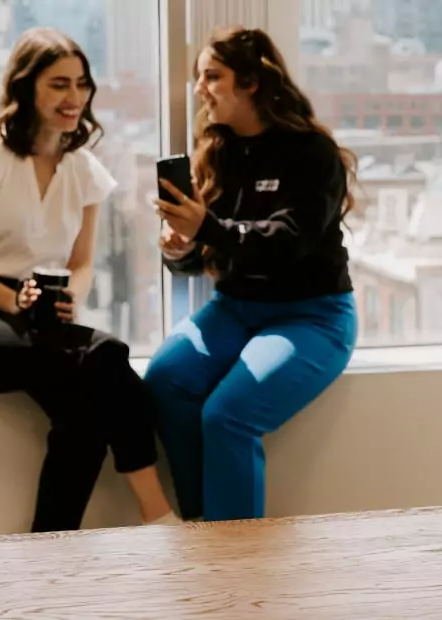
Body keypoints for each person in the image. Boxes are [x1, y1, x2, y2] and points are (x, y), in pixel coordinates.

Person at [145, 27, 358, 523]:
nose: (199, 89)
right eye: (200, 77)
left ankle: (238, 561)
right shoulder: (219, 152)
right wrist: (181, 246)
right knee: (164, 378)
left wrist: (209, 228)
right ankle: (204, 528)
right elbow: (204, 254)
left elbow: (287, 242)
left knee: (227, 416)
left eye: (211, 76)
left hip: (312, 316)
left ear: (252, 82)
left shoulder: (312, 153)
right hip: (236, 308)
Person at [0, 27, 180, 532]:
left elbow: (82, 260)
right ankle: (158, 516)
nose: (74, 98)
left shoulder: (83, 169)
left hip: (33, 317)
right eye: (58, 84)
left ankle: (50, 554)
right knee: (105, 357)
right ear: (26, 87)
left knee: (86, 418)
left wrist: (72, 294)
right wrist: (11, 300)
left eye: (81, 83)